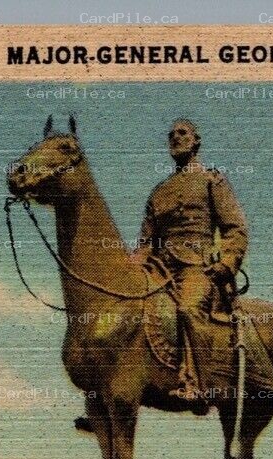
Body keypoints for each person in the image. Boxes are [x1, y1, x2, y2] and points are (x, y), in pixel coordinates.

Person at [76, 119, 248, 434]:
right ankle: (104, 395)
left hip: (196, 267)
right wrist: (125, 272)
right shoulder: (160, 192)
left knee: (186, 309)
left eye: (182, 134)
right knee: (121, 312)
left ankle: (197, 383)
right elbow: (144, 244)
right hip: (159, 269)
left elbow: (235, 228)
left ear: (196, 142)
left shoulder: (212, 181)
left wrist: (228, 262)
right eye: (171, 135)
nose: (175, 138)